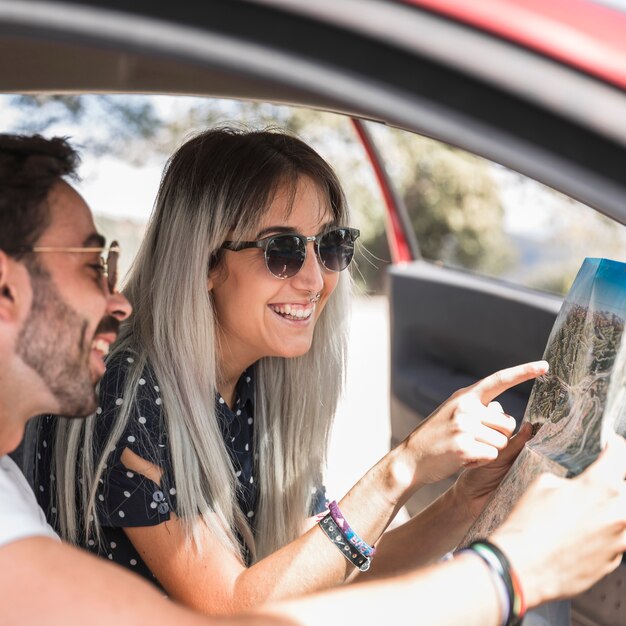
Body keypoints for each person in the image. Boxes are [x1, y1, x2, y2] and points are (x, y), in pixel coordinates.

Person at [2, 132, 626, 626]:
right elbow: (233, 610)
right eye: (281, 249)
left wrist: (464, 503)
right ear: (207, 263)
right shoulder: (131, 390)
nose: (314, 278)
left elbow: (332, 570)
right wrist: (401, 469)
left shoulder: (256, 388)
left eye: (329, 246)